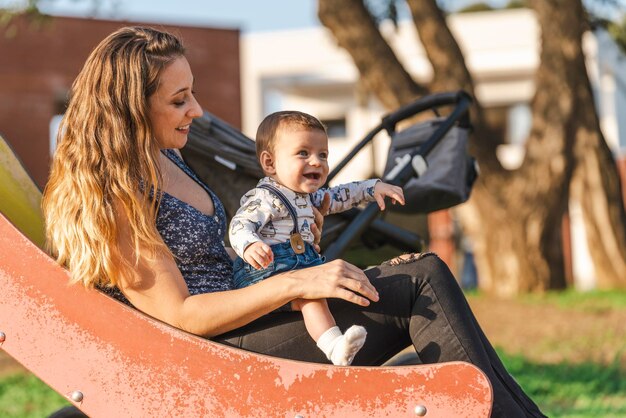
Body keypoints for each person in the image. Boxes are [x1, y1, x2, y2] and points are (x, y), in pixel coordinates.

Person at [41, 26, 545, 417]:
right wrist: (297, 281)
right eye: (178, 100)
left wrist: (296, 248)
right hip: (209, 357)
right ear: (130, 107)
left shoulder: (168, 159)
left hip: (248, 322)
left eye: (191, 94)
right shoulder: (115, 194)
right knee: (421, 280)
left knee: (427, 311)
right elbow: (182, 315)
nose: (195, 110)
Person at [229, 110, 405, 365]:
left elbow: (343, 194)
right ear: (270, 163)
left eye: (322, 155)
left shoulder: (309, 197)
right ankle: (334, 346)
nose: (316, 162)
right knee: (310, 297)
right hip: (266, 273)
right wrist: (250, 245)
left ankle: (337, 346)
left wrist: (372, 187)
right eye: (303, 153)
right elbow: (239, 224)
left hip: (295, 268)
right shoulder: (265, 197)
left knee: (314, 297)